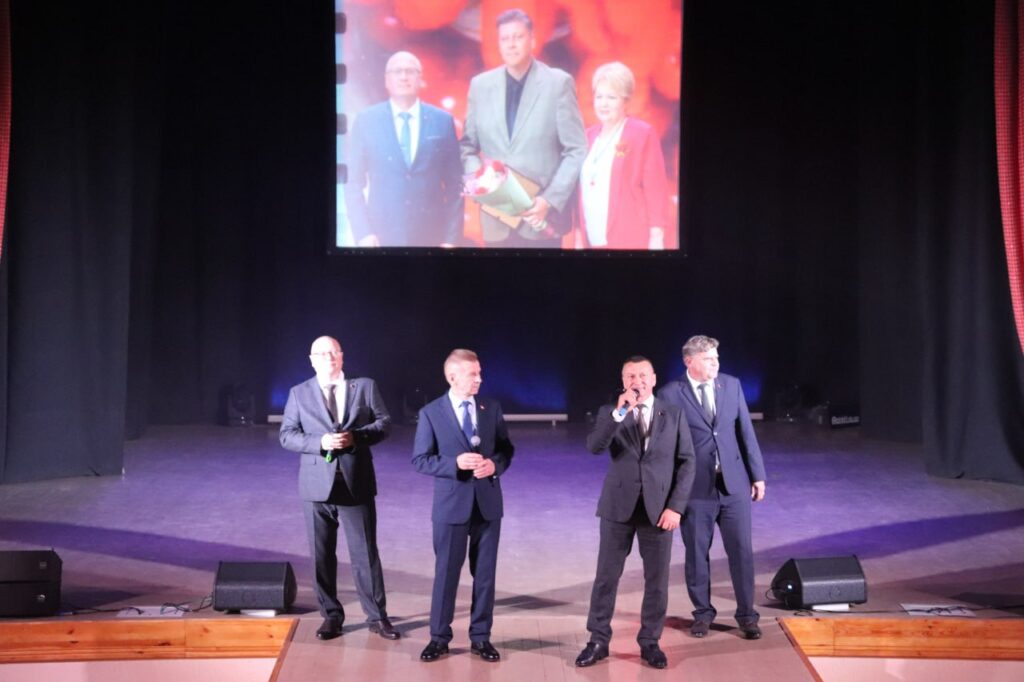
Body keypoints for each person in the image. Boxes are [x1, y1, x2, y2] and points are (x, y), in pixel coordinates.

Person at [575, 356, 695, 670]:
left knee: (656, 581)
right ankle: (598, 639)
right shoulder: (611, 412)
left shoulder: (674, 414)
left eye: (642, 375)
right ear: (623, 381)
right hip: (618, 508)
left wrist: (675, 507)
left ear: (653, 379)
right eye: (630, 376)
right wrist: (619, 413)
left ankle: (650, 642)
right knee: (606, 578)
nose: (637, 381)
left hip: (659, 510)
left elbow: (687, 462)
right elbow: (594, 446)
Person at [279, 336, 399, 641]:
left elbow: (384, 423)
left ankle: (377, 617)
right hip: (316, 486)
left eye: (333, 352)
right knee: (321, 555)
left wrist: (356, 437)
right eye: (321, 353)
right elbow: (287, 435)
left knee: (365, 554)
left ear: (342, 356)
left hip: (355, 482)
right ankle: (331, 616)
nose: (328, 357)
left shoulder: (365, 386)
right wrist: (320, 442)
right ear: (311, 360)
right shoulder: (298, 393)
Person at [656, 335, 767, 640]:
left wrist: (757, 475)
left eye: (717, 357)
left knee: (741, 552)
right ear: (689, 361)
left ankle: (747, 616)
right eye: (708, 358)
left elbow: (745, 432)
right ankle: (703, 614)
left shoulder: (731, 385)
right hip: (695, 490)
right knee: (696, 555)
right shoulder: (670, 394)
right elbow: (664, 448)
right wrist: (669, 496)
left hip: (734, 486)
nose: (715, 363)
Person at [412, 349, 515, 663]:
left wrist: (494, 466)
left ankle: (481, 638)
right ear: (452, 376)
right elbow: (420, 459)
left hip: (487, 505)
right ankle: (439, 638)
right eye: (473, 374)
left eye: (480, 373)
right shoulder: (431, 413)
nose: (479, 379)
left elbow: (506, 449)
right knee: (446, 574)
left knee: (484, 576)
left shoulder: (490, 408)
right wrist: (454, 464)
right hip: (451, 507)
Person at [460, 8, 587, 247]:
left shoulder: (558, 83)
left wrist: (549, 200)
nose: (511, 44)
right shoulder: (480, 86)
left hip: (542, 218)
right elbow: (467, 147)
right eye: (505, 39)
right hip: (497, 219)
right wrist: (484, 185)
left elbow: (576, 150)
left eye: (518, 37)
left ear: (532, 40)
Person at [344, 51, 464, 248]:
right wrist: (363, 233)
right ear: (386, 80)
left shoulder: (442, 121)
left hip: (432, 238)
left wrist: (451, 239)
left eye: (410, 71)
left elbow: (455, 184)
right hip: (380, 238)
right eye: (397, 71)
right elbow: (353, 182)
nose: (403, 77)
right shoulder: (366, 121)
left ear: (420, 79)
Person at [577, 62, 671, 250]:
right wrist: (579, 236)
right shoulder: (587, 136)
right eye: (599, 96)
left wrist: (657, 237)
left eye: (611, 97)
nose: (603, 104)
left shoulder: (641, 133)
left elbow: (655, 188)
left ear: (626, 101)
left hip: (629, 239)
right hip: (591, 241)